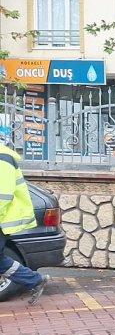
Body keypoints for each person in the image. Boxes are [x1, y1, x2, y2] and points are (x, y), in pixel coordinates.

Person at [0, 125, 50, 303]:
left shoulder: (3, 158)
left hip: (3, 219)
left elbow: (3, 194)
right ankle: (35, 280)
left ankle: (35, 280)